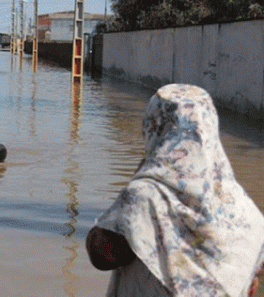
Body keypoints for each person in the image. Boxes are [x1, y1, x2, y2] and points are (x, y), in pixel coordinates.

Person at [85, 84, 264, 297]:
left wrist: (139, 178)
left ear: (154, 127)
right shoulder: (246, 211)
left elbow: (101, 256)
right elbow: (251, 284)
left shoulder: (145, 196)